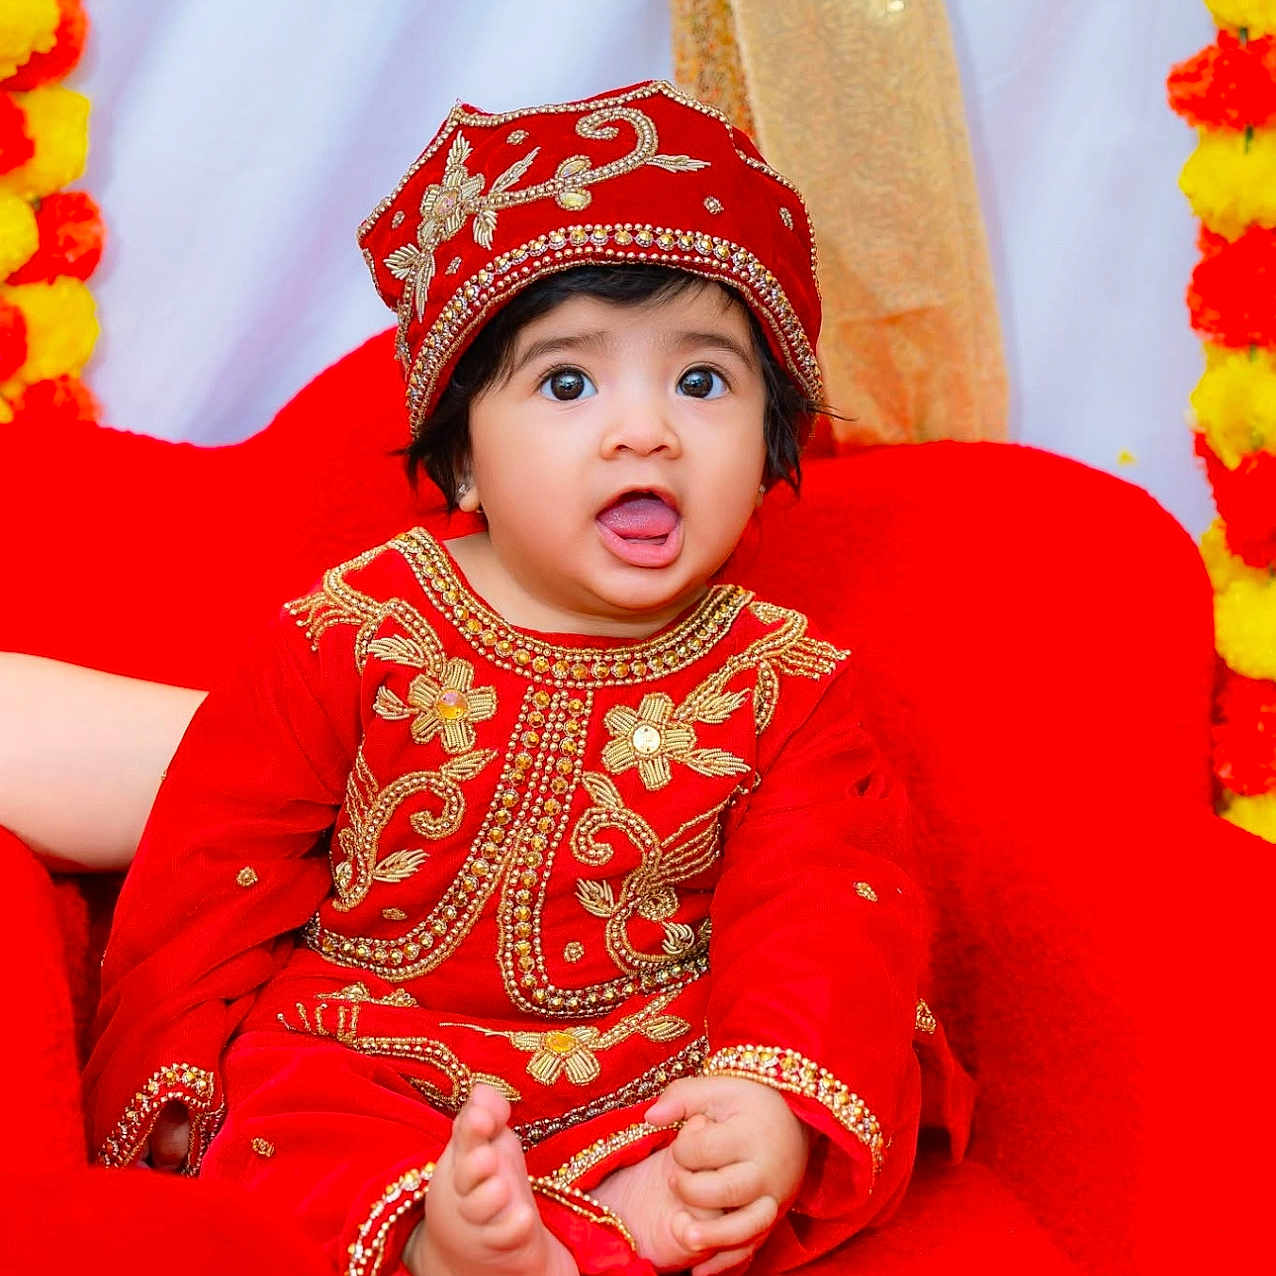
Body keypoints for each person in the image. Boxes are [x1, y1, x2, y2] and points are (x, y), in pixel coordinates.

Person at [84, 80, 972, 1276]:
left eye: (701, 382)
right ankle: (446, 1238)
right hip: (373, 1045)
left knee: (791, 1088)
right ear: (458, 453)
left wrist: (757, 1103)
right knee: (285, 1114)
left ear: (770, 444)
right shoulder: (353, 630)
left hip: (649, 1051)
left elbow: (823, 916)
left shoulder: (786, 683)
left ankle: (636, 1204)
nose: (644, 431)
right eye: (568, 384)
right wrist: (176, 1063)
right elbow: (215, 865)